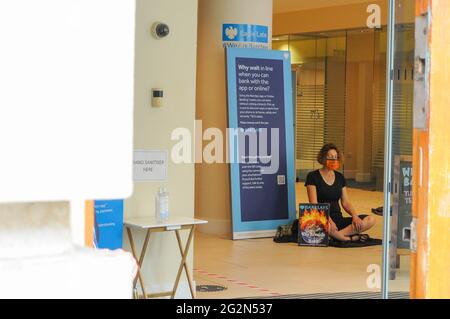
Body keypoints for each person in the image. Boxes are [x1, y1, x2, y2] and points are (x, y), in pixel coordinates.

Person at [304, 143, 376, 242]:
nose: (333, 159)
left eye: (335, 157)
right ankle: (347, 238)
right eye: (330, 157)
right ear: (323, 158)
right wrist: (329, 221)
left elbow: (345, 202)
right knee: (327, 227)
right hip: (321, 218)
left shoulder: (340, 177)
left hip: (338, 218)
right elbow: (314, 205)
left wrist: (355, 217)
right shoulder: (312, 176)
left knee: (370, 219)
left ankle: (336, 236)